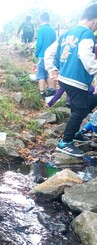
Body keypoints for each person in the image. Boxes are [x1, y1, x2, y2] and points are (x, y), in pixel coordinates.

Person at [45, 4, 97, 157]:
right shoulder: (87, 34)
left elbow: (49, 51)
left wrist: (52, 68)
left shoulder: (66, 34)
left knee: (83, 105)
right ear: (95, 20)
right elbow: (85, 56)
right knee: (80, 110)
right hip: (77, 80)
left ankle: (74, 133)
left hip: (65, 78)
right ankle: (65, 143)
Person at [35, 12, 57, 97]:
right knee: (48, 73)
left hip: (42, 55)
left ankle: (42, 92)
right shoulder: (52, 30)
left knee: (41, 74)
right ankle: (52, 91)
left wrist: (36, 53)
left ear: (40, 19)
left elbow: (39, 44)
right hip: (51, 57)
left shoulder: (41, 30)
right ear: (49, 19)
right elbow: (55, 44)